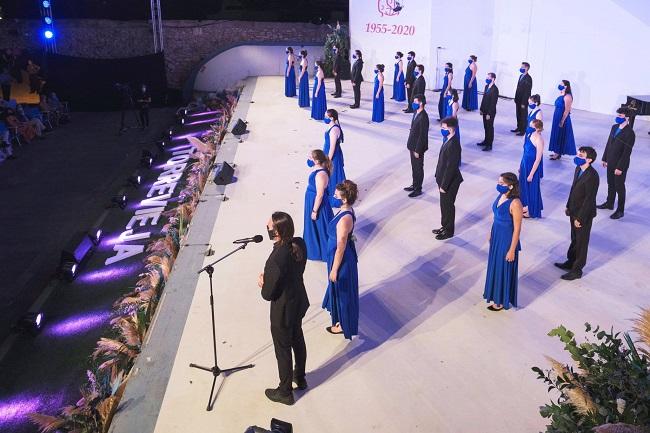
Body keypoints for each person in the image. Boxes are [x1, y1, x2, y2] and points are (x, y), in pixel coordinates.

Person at [259, 212, 309, 405]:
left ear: (277, 231)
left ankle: (285, 391)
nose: (267, 226)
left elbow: (267, 294)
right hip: (299, 301)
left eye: (270, 225)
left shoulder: (276, 259)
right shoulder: (299, 244)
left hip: (283, 310)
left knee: (283, 349)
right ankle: (300, 377)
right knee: (298, 338)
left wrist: (263, 282)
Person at [554, 146, 599, 280]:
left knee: (581, 242)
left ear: (589, 160)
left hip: (583, 214)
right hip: (574, 210)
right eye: (578, 154)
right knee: (574, 238)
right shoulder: (578, 169)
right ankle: (570, 261)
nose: (577, 157)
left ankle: (577, 270)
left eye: (581, 156)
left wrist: (580, 218)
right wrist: (568, 206)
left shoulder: (592, 176)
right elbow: (574, 189)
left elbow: (589, 199)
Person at [322, 180, 359, 340]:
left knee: (343, 293)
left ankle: (344, 325)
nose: (333, 196)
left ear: (344, 199)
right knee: (340, 291)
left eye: (336, 195)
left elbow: (341, 246)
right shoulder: (346, 209)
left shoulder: (344, 219)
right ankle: (342, 320)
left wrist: (335, 269)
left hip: (341, 260)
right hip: (336, 255)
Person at [483, 172, 523, 311]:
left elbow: (517, 229)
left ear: (511, 186)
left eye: (501, 184)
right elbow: (496, 217)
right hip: (497, 236)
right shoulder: (501, 195)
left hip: (507, 240)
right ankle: (495, 295)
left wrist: (512, 250)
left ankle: (501, 300)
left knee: (502, 268)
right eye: (498, 182)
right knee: (495, 266)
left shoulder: (516, 203)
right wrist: (491, 231)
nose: (498, 185)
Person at [598, 107, 636, 219]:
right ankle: (609, 203)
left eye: (620, 116)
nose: (617, 117)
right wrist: (605, 158)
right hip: (610, 161)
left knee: (619, 187)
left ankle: (620, 210)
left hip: (620, 165)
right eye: (618, 115)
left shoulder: (630, 133)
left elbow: (626, 153)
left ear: (627, 118)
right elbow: (609, 143)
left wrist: (620, 167)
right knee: (611, 184)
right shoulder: (614, 127)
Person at [433, 117, 463, 240]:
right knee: (443, 205)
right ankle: (444, 226)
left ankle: (449, 231)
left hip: (449, 182)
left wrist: (444, 185)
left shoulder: (454, 144)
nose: (442, 130)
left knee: (448, 206)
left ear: (451, 128)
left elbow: (451, 167)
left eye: (444, 128)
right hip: (443, 180)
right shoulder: (447, 140)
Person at [304, 150, 334, 261]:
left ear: (316, 161)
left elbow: (320, 195)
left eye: (310, 157)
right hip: (312, 200)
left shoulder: (321, 175)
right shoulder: (318, 169)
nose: (308, 159)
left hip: (317, 204)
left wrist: (315, 211)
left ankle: (324, 252)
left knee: (321, 227)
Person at [404, 94, 429, 198]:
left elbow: (422, 136)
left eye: (415, 102)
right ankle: (414, 184)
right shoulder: (416, 112)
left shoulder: (424, 117)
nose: (413, 104)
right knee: (414, 167)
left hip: (417, 148)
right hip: (412, 145)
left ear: (421, 103)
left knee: (418, 168)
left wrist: (418, 150)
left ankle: (418, 189)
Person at [519, 119, 544, 218]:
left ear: (537, 128)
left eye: (531, 126)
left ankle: (531, 210)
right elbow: (524, 153)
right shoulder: (528, 135)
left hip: (532, 168)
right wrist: (520, 165)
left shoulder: (539, 139)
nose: (529, 128)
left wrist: (531, 174)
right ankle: (526, 206)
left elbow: (538, 159)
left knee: (532, 189)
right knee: (523, 188)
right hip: (525, 165)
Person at [549, 80, 577, 160]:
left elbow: (567, 110)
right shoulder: (562, 94)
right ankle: (556, 152)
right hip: (557, 117)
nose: (559, 85)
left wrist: (562, 121)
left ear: (566, 86)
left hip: (562, 118)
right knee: (556, 134)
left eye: (561, 84)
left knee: (559, 135)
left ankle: (557, 153)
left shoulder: (568, 96)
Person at [323, 109, 346, 196]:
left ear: (331, 118)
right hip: (329, 152)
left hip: (333, 155)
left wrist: (328, 160)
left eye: (326, 116)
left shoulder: (334, 130)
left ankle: (336, 195)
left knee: (333, 175)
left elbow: (332, 147)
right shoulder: (331, 126)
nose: (325, 118)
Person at [477, 72, 499, 151]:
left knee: (489, 128)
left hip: (490, 112)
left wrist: (489, 113)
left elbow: (493, 103)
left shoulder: (495, 89)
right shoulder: (486, 86)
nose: (487, 79)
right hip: (485, 110)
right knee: (485, 127)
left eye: (488, 78)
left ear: (493, 79)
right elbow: (484, 98)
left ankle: (489, 144)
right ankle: (486, 141)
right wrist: (481, 109)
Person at [512, 62, 533, 136]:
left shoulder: (528, 78)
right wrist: (515, 98)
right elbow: (518, 88)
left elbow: (527, 92)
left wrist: (524, 103)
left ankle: (523, 130)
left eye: (522, 67)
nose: (521, 68)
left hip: (523, 101)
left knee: (523, 115)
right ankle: (519, 127)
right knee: (518, 114)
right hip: (518, 99)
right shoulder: (521, 76)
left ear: (526, 68)